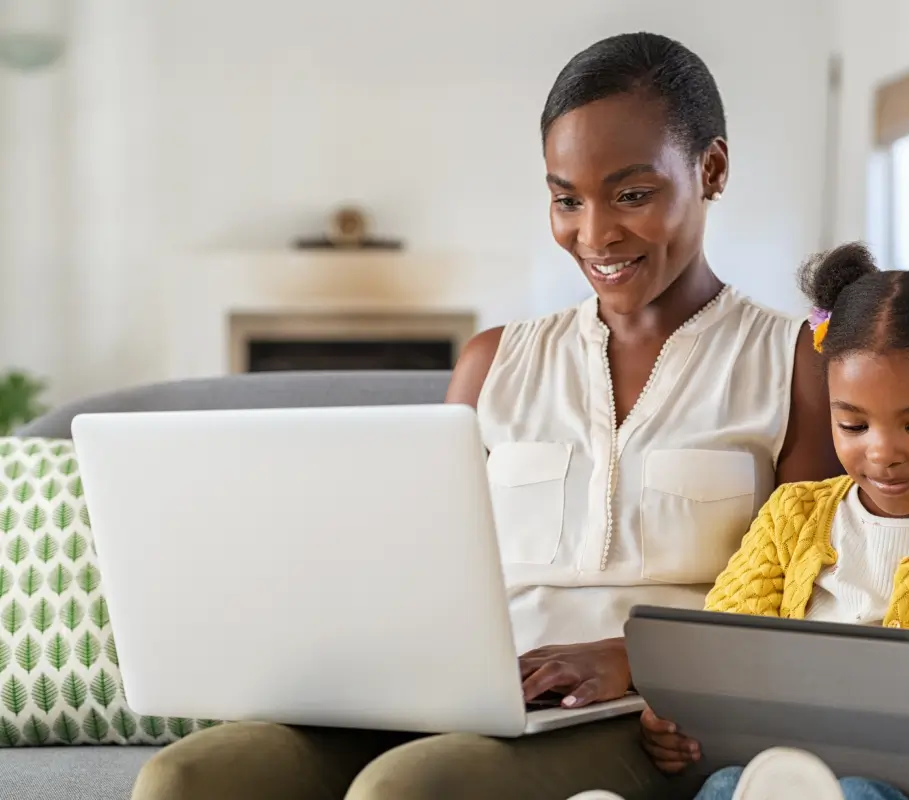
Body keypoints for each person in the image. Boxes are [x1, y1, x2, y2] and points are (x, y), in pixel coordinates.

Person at [130, 32, 841, 800]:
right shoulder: (493, 363)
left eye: (632, 194)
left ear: (712, 170)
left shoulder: (795, 362)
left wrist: (632, 656)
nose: (594, 234)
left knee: (410, 789)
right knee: (185, 778)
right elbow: (411, 575)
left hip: (648, 715)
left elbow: (805, 608)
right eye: (566, 198)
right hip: (466, 695)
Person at [582, 232, 909, 800]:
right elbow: (724, 643)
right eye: (853, 425)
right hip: (775, 768)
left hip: (908, 785)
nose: (881, 453)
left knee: (857, 793)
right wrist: (677, 717)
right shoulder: (794, 514)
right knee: (729, 784)